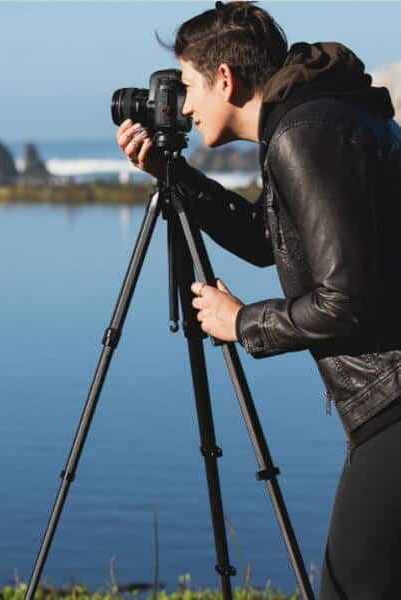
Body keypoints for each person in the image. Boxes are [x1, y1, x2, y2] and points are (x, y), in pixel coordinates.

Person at [116, 2, 401, 598]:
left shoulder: (301, 134)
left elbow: (345, 300)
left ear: (224, 79)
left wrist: (243, 321)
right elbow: (267, 241)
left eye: (190, 85)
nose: (184, 107)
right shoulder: (317, 118)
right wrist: (175, 175)